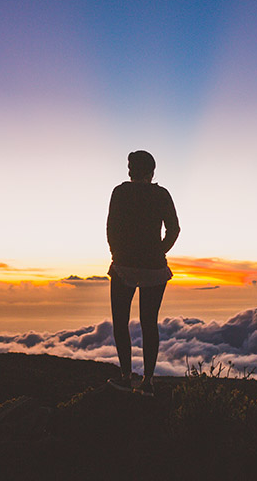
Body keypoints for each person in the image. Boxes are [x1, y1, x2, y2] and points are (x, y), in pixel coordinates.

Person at [106, 150, 180, 397]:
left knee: (120, 321)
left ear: (131, 170)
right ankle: (148, 381)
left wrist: (117, 252)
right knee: (149, 324)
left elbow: (111, 228)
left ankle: (126, 376)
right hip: (154, 269)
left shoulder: (120, 192)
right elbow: (174, 229)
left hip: (123, 266)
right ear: (152, 171)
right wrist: (159, 250)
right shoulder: (161, 194)